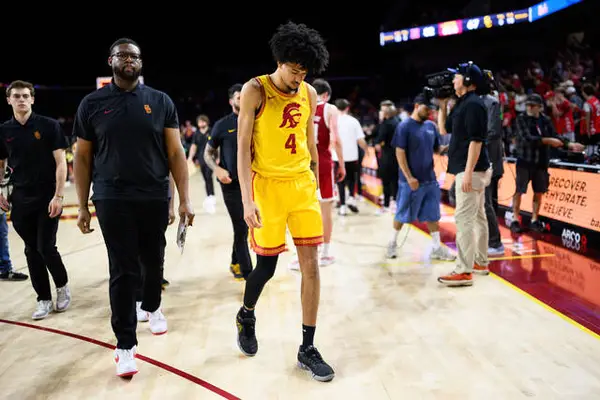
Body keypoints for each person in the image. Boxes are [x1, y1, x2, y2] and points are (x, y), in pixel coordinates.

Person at [73, 38, 195, 378]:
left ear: (141, 63)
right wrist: (81, 205)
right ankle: (125, 345)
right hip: (111, 197)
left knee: (153, 260)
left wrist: (183, 199)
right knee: (123, 269)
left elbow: (175, 153)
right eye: (124, 55)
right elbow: (82, 157)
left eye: (135, 56)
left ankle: (152, 306)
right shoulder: (91, 104)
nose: (130, 60)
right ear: (110, 60)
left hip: (153, 195)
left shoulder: (160, 101)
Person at [235, 21, 335, 382]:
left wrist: (315, 182)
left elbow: (309, 142)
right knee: (266, 268)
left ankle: (307, 347)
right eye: (294, 70)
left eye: (304, 71)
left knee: (312, 265)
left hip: (301, 185)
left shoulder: (309, 92)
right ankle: (247, 314)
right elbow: (242, 150)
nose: (298, 77)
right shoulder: (255, 90)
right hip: (267, 187)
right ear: (280, 61)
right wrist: (247, 200)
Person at [0, 80, 70, 318]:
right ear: (8, 100)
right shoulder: (4, 131)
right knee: (31, 250)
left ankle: (62, 286)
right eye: (16, 96)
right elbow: (1, 163)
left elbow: (61, 162)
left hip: (48, 195)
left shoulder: (49, 126)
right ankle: (43, 298)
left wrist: (58, 196)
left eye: (25, 96)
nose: (21, 99)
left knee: (45, 247)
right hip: (20, 197)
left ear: (32, 99)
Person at [437, 62, 492, 287]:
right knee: (478, 216)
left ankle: (464, 270)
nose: (453, 80)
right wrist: (442, 106)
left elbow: (476, 141)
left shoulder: (474, 104)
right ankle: (480, 262)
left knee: (464, 219)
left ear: (468, 81)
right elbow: (444, 130)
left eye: (457, 76)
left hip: (471, 170)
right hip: (472, 169)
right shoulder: (462, 103)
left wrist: (468, 172)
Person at [386, 94, 455, 261]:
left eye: (431, 109)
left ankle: (437, 248)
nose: (429, 112)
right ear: (417, 106)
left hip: (430, 179)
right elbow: (400, 153)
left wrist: (452, 146)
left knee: (433, 215)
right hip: (410, 181)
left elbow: (437, 149)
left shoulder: (431, 126)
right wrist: (409, 177)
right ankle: (392, 243)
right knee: (402, 214)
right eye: (426, 108)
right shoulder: (404, 126)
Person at [290, 78, 345, 268]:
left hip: (300, 164)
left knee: (300, 211)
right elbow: (335, 139)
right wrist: (342, 164)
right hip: (322, 163)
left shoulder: (299, 106)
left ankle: (299, 256)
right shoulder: (330, 109)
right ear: (326, 95)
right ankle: (325, 253)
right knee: (325, 209)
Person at [510, 94, 584, 233]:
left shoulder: (545, 120)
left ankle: (534, 220)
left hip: (541, 162)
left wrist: (570, 144)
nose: (529, 107)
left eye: (532, 105)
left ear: (540, 107)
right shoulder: (521, 119)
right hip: (525, 160)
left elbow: (555, 136)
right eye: (528, 105)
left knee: (538, 192)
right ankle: (515, 219)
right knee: (519, 191)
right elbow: (527, 139)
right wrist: (548, 141)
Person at [204, 84, 253, 280]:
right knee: (241, 225)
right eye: (239, 97)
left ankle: (235, 261)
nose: (243, 100)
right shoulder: (222, 125)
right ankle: (248, 273)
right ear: (231, 101)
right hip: (231, 184)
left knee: (245, 227)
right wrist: (217, 169)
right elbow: (207, 153)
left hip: (253, 183)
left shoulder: (256, 120)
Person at [333, 98, 368, 215]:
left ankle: (342, 206)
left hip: (337, 157)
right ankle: (352, 198)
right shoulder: (354, 121)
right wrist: (366, 149)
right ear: (347, 108)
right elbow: (360, 140)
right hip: (352, 156)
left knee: (340, 182)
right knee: (352, 179)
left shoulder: (333, 121)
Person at [481, 91, 505, 256]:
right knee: (487, 203)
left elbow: (493, 132)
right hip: (486, 161)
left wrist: (474, 143)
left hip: (488, 163)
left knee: (486, 203)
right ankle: (488, 239)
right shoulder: (485, 102)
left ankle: (495, 243)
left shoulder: (492, 103)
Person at [374, 100, 400, 214]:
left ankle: (386, 205)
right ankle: (395, 202)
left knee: (386, 181)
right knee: (395, 180)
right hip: (398, 154)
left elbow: (379, 139)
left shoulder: (386, 124)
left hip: (387, 155)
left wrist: (377, 143)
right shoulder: (398, 121)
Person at [188, 115, 216, 214]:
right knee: (205, 178)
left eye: (203, 121)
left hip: (211, 158)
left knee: (208, 176)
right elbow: (193, 146)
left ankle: (211, 196)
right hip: (201, 159)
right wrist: (190, 157)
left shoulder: (212, 131)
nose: (201, 123)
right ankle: (209, 196)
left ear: (206, 122)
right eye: (199, 122)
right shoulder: (197, 134)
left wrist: (218, 157)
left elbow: (217, 144)